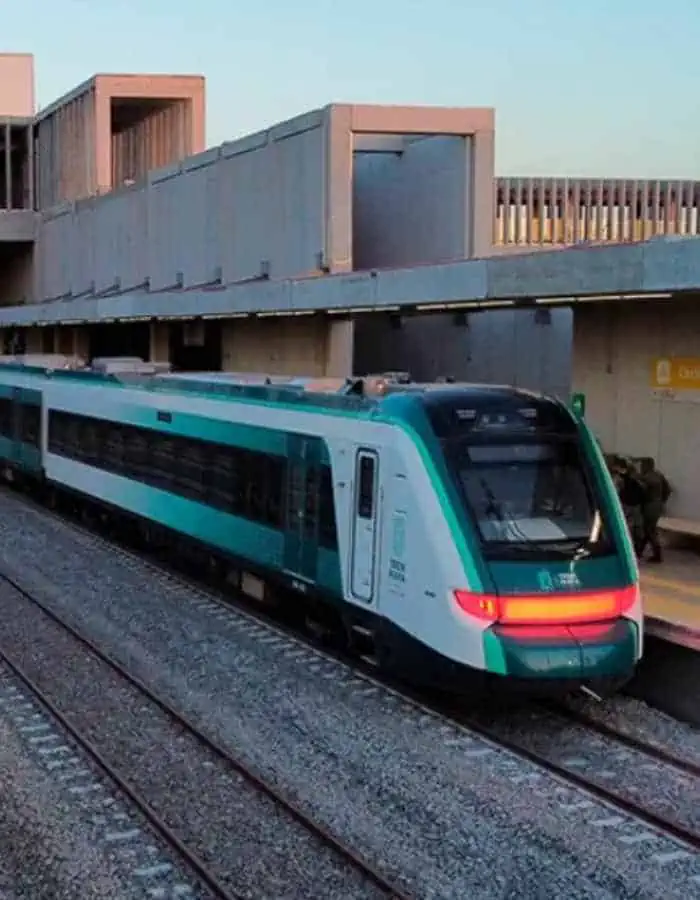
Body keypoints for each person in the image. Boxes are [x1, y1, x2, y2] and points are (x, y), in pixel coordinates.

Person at [638, 457, 671, 564]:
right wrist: (662, 500)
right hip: (657, 505)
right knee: (648, 529)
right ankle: (639, 551)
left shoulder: (645, 478)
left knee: (649, 530)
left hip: (649, 506)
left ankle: (657, 555)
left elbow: (641, 493)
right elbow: (668, 489)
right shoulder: (659, 475)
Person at [614, 459, 646, 554]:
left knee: (629, 529)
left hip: (628, 506)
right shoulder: (637, 479)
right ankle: (636, 549)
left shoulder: (621, 478)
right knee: (635, 529)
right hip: (635, 506)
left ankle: (632, 549)